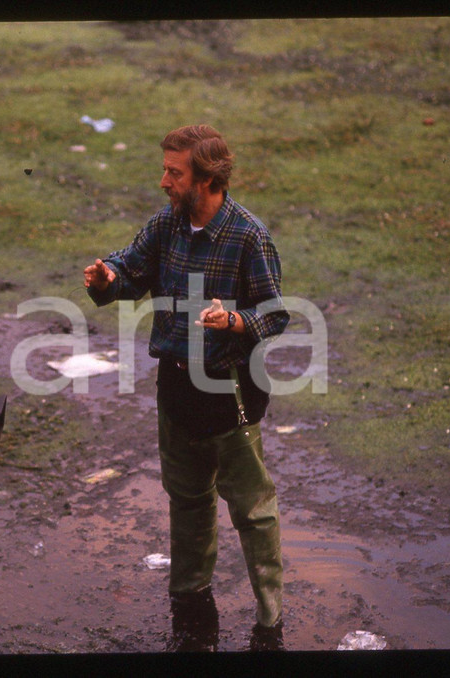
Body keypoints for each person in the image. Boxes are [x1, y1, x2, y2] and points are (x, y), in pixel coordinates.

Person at [83, 125, 289, 650]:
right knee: (186, 499)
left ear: (207, 178)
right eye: (166, 170)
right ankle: (190, 602)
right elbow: (129, 271)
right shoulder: (166, 224)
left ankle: (271, 620)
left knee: (252, 510)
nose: (164, 182)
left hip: (231, 393)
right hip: (175, 390)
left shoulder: (248, 235)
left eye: (175, 173)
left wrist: (236, 322)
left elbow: (275, 313)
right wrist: (106, 278)